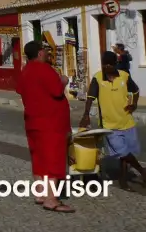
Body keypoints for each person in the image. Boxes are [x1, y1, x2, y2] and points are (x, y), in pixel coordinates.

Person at [16, 40, 73, 212]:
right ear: (40, 53)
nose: (48, 54)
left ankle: (40, 193)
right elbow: (56, 90)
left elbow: (19, 89)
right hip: (50, 122)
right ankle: (51, 199)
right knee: (52, 159)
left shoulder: (25, 71)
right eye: (46, 51)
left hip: (32, 121)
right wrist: (63, 80)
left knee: (38, 158)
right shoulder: (44, 69)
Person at [80, 51, 144, 190]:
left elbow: (136, 90)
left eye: (110, 64)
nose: (107, 67)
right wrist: (86, 115)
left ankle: (122, 180)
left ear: (115, 64)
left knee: (125, 155)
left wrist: (134, 104)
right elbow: (90, 98)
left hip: (127, 122)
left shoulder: (124, 76)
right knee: (122, 152)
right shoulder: (98, 78)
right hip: (109, 126)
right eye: (104, 64)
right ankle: (143, 171)